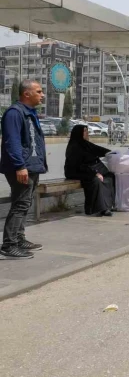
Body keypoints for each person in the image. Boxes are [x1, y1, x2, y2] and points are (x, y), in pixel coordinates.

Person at [0, 80, 47, 259]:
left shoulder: (30, 113)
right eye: (39, 91)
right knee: (20, 204)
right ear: (26, 94)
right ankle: (9, 245)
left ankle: (19, 238)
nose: (42, 95)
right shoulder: (14, 113)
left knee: (25, 203)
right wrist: (20, 166)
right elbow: (12, 142)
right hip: (21, 168)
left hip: (32, 166)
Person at [64, 125, 116, 217]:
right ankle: (99, 208)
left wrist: (110, 153)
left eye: (87, 131)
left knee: (109, 176)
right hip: (77, 171)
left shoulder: (86, 144)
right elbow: (78, 165)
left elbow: (98, 149)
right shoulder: (74, 147)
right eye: (85, 131)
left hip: (88, 170)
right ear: (79, 133)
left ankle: (108, 205)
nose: (87, 133)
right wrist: (95, 173)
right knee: (96, 180)